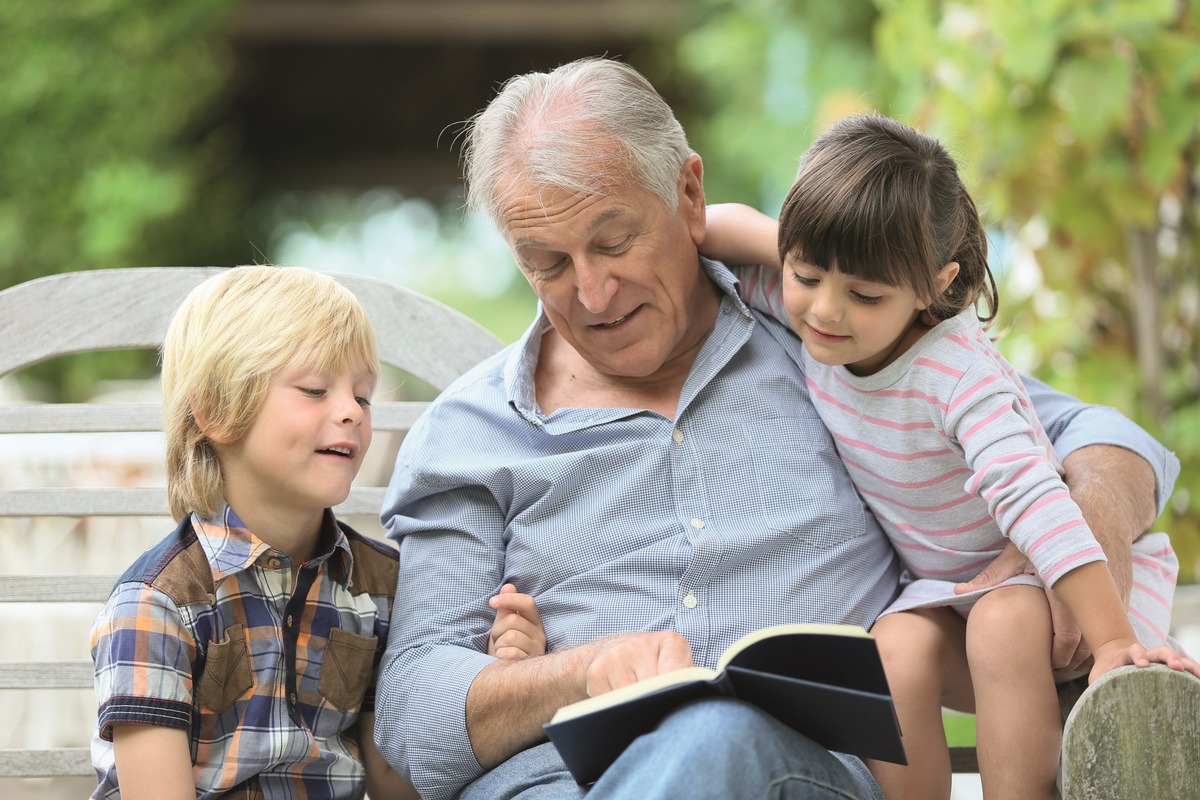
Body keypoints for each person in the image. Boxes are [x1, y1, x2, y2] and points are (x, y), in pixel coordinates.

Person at [373, 57, 1181, 800]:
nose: (590, 292)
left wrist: (1080, 554)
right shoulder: (473, 432)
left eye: (614, 242)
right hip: (556, 783)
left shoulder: (831, 341)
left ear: (690, 197)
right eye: (545, 263)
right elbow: (415, 716)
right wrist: (582, 675)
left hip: (799, 773)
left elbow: (1103, 440)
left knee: (717, 736)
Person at [703, 113, 1198, 800]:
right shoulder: (814, 313)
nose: (826, 311)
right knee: (893, 653)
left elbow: (1034, 500)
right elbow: (724, 239)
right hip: (947, 594)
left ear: (936, 284)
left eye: (864, 295)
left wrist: (1112, 639)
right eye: (806, 274)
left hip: (1055, 586)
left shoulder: (958, 378)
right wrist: (693, 228)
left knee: (1001, 625)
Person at [89, 266, 545, 800]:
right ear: (215, 410)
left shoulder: (379, 586)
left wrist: (505, 679)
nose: (351, 412)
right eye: (314, 390)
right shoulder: (158, 605)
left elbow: (394, 784)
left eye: (364, 396)